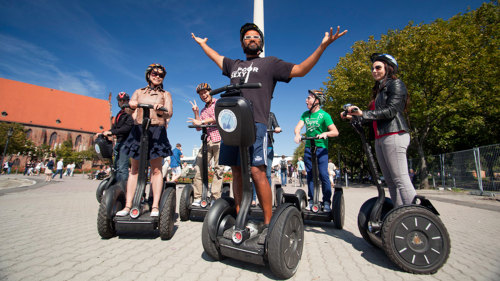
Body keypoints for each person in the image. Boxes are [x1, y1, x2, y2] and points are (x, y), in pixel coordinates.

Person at [192, 22, 347, 226]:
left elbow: (300, 70)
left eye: (255, 37)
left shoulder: (270, 63)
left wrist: (322, 46)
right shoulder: (234, 65)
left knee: (257, 171)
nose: (252, 39)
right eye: (247, 37)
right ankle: (240, 217)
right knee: (236, 171)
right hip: (232, 125)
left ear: (261, 43)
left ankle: (268, 223)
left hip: (255, 123)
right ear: (242, 43)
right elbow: (216, 57)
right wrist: (203, 44)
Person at [341, 53, 416, 207]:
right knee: (390, 181)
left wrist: (363, 113)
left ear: (388, 68)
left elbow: (391, 111)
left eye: (378, 67)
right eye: (372, 68)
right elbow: (373, 118)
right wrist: (354, 117)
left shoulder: (396, 84)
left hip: (394, 134)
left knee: (400, 178)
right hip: (380, 137)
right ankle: (399, 215)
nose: (374, 70)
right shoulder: (379, 91)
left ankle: (416, 215)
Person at [116, 63, 173, 217]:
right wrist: (132, 106)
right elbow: (128, 110)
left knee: (156, 170)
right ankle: (128, 206)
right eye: (154, 73)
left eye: (161, 75)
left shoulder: (165, 94)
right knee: (134, 169)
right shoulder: (138, 92)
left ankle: (154, 206)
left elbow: (169, 113)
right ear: (148, 75)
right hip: (138, 130)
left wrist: (160, 110)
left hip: (156, 130)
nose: (157, 76)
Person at [294, 90, 339, 212]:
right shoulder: (305, 114)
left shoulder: (324, 115)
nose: (306, 100)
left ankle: (326, 202)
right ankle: (312, 200)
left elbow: (335, 132)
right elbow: (298, 127)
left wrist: (326, 133)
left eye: (309, 98)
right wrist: (297, 134)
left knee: (323, 174)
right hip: (309, 148)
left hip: (321, 148)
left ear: (317, 101)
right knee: (310, 175)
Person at [187, 83, 224, 206]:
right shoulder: (203, 110)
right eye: (201, 94)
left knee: (219, 170)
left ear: (210, 92)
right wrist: (197, 113)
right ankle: (198, 197)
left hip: (220, 140)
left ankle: (215, 197)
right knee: (199, 168)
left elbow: (217, 117)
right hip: (207, 141)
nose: (204, 95)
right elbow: (199, 127)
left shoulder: (218, 103)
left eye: (205, 92)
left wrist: (201, 121)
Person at [97, 92, 134, 182]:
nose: (122, 102)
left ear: (128, 101)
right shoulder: (119, 114)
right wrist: (103, 132)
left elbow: (127, 128)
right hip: (119, 142)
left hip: (126, 143)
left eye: (124, 100)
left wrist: (111, 132)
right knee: (116, 166)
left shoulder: (130, 113)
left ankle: (123, 188)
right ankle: (116, 185)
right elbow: (114, 127)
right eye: (120, 100)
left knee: (122, 167)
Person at [252, 112, 281, 206]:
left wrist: (277, 128)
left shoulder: (271, 115)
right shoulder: (253, 115)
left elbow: (276, 126)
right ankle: (253, 199)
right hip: (256, 146)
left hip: (268, 147)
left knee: (267, 174)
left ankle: (266, 200)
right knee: (255, 173)